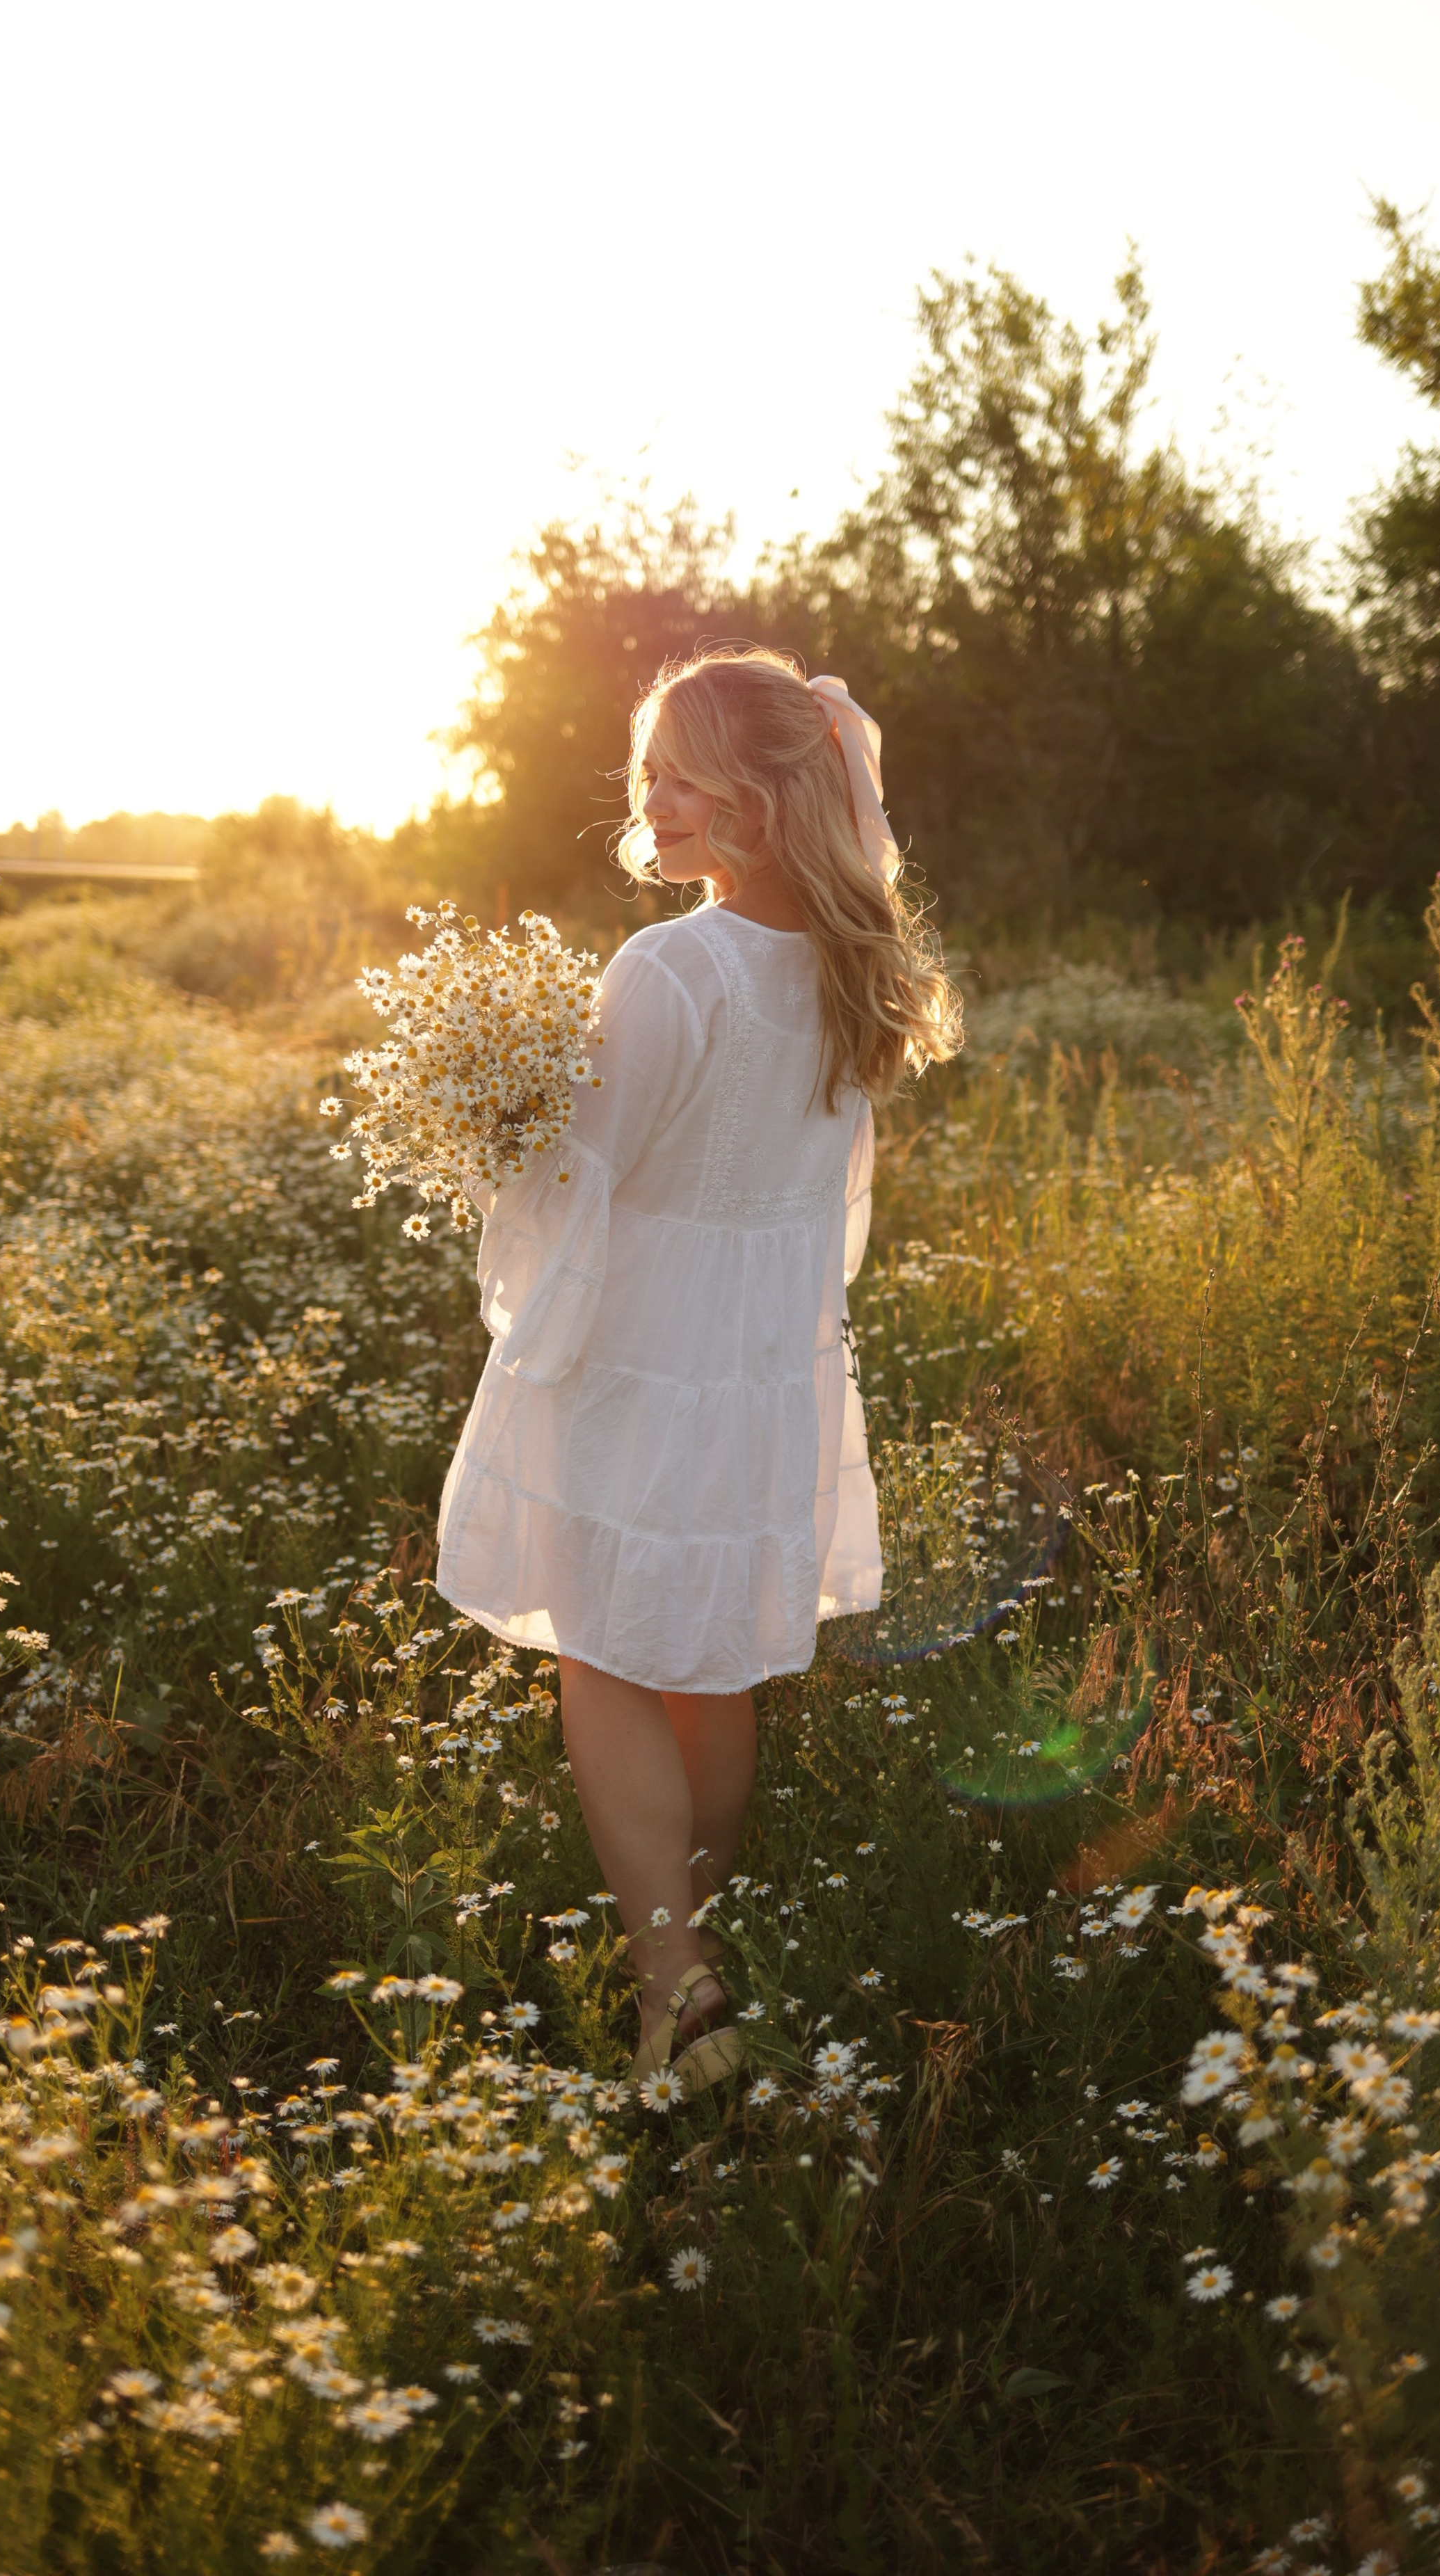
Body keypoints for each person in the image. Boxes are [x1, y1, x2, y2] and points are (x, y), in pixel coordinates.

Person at [435, 646, 961, 2089]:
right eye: (647, 775)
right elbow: (818, 1192)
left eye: (685, 776)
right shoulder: (851, 968)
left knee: (605, 1648)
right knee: (709, 1659)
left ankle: (674, 1985)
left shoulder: (672, 966)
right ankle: (697, 1941)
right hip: (763, 1357)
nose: (652, 802)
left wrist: (495, 1136)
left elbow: (584, 1175)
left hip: (643, 1352)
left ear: (765, 795)